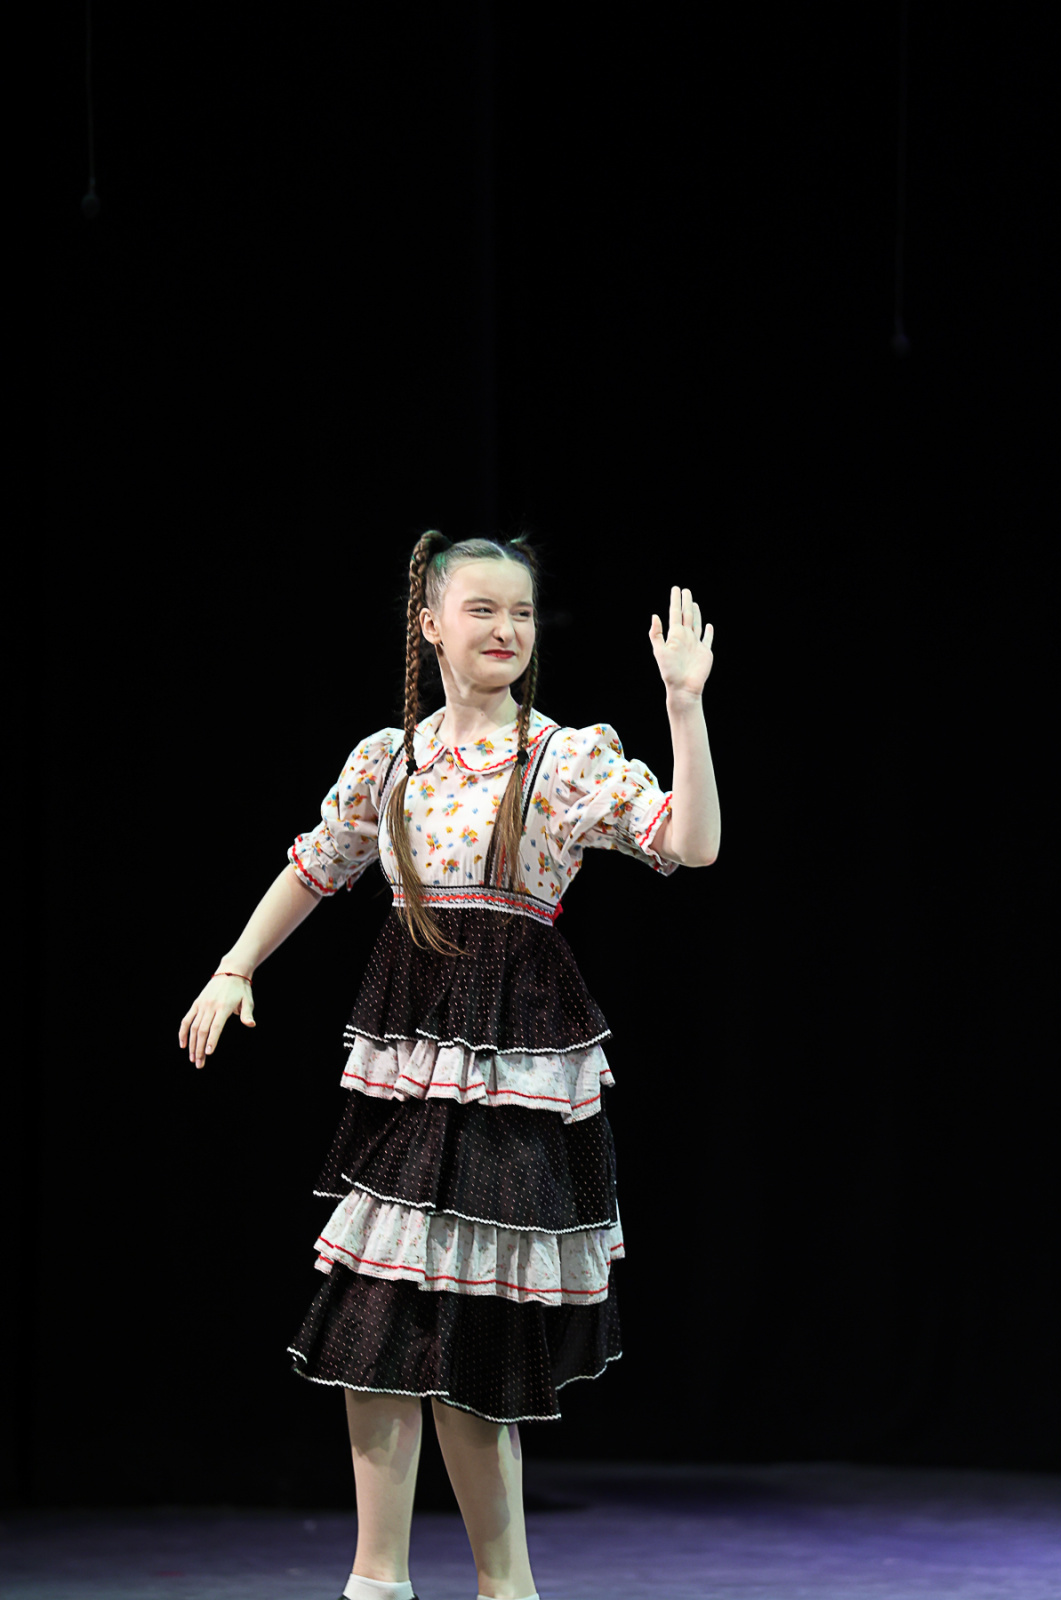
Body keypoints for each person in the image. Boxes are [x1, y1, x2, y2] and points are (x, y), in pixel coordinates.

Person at [179, 530, 721, 1600]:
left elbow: (688, 842)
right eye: (481, 609)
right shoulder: (389, 759)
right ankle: (375, 1580)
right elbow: (316, 864)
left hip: (512, 1061)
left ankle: (503, 1584)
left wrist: (684, 707)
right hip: (408, 1056)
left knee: (472, 1329)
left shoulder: (560, 758)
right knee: (375, 1306)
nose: (505, 629)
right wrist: (234, 965)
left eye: (519, 612)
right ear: (429, 623)